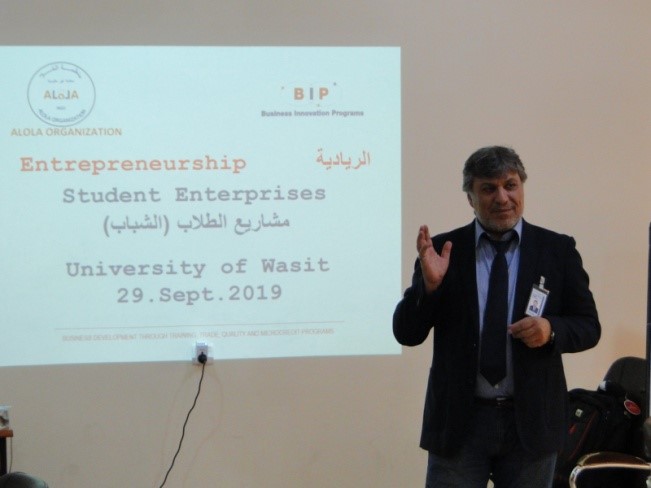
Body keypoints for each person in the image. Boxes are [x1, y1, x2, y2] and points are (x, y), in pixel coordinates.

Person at [393, 146, 601, 487]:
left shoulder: (557, 250)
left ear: (522, 187)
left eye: (510, 185)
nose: (502, 197)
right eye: (489, 188)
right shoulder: (443, 251)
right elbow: (406, 333)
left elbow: (589, 326)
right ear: (471, 198)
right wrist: (428, 289)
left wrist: (551, 329)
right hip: (460, 424)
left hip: (531, 425)